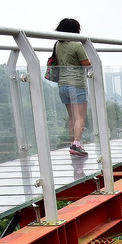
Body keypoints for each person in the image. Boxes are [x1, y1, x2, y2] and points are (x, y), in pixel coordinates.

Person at [53, 18, 92, 157]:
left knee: (71, 117)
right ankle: (77, 144)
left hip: (62, 84)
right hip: (76, 84)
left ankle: (73, 143)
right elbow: (86, 63)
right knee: (80, 117)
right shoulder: (76, 45)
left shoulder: (57, 44)